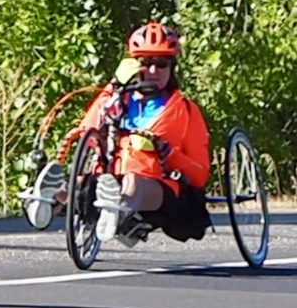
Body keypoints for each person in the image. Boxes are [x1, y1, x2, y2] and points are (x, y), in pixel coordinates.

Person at [77, 21, 210, 246]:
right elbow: (86, 133)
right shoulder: (118, 100)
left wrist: (170, 154)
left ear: (172, 67)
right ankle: (52, 198)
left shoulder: (187, 110)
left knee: (134, 182)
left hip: (160, 188)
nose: (152, 72)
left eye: (161, 64)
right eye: (145, 63)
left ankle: (116, 213)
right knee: (78, 184)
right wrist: (114, 86)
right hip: (109, 177)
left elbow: (200, 175)